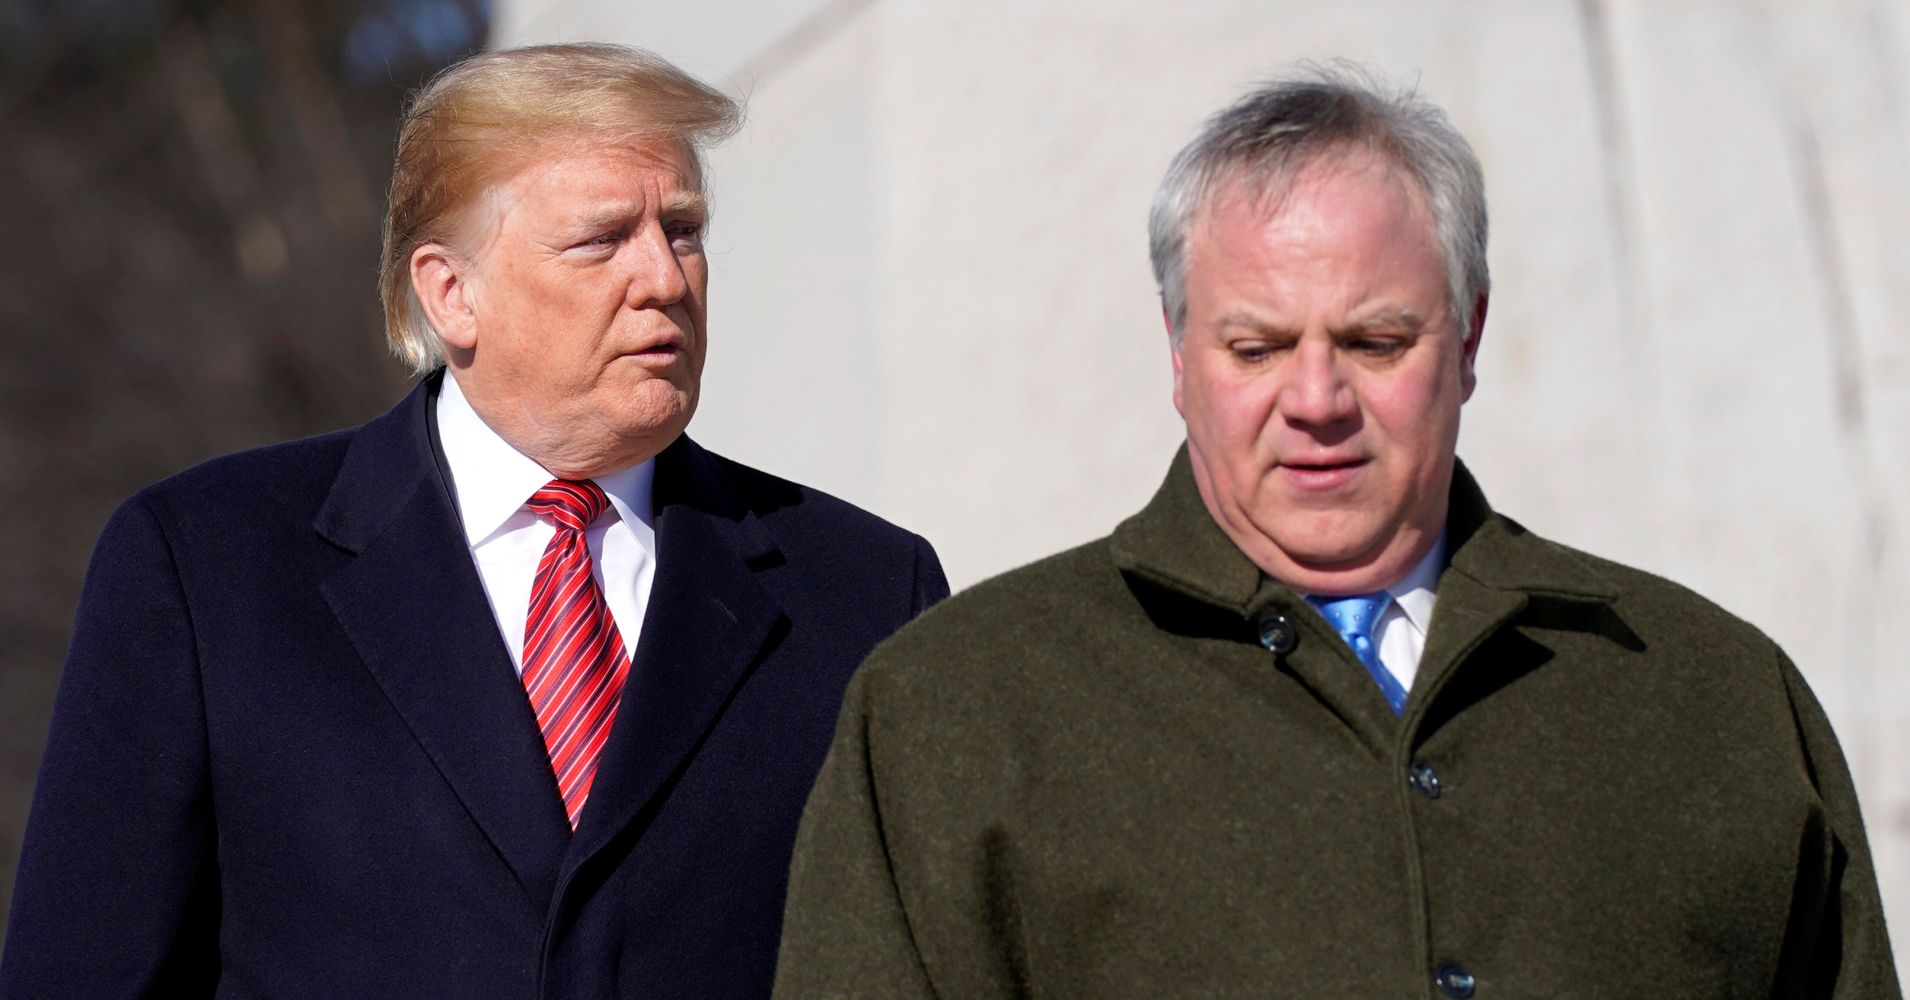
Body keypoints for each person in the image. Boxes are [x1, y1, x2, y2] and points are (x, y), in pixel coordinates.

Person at [774, 66, 1899, 998]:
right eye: (1256, 347)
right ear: (1176, 356)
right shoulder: (953, 712)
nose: (1314, 398)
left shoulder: (1711, 696)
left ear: (1467, 338)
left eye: (1373, 341)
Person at [1, 43, 946, 999]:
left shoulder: (865, 590)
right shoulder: (207, 568)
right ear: (451, 293)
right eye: (603, 238)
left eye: (685, 230)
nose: (665, 278)